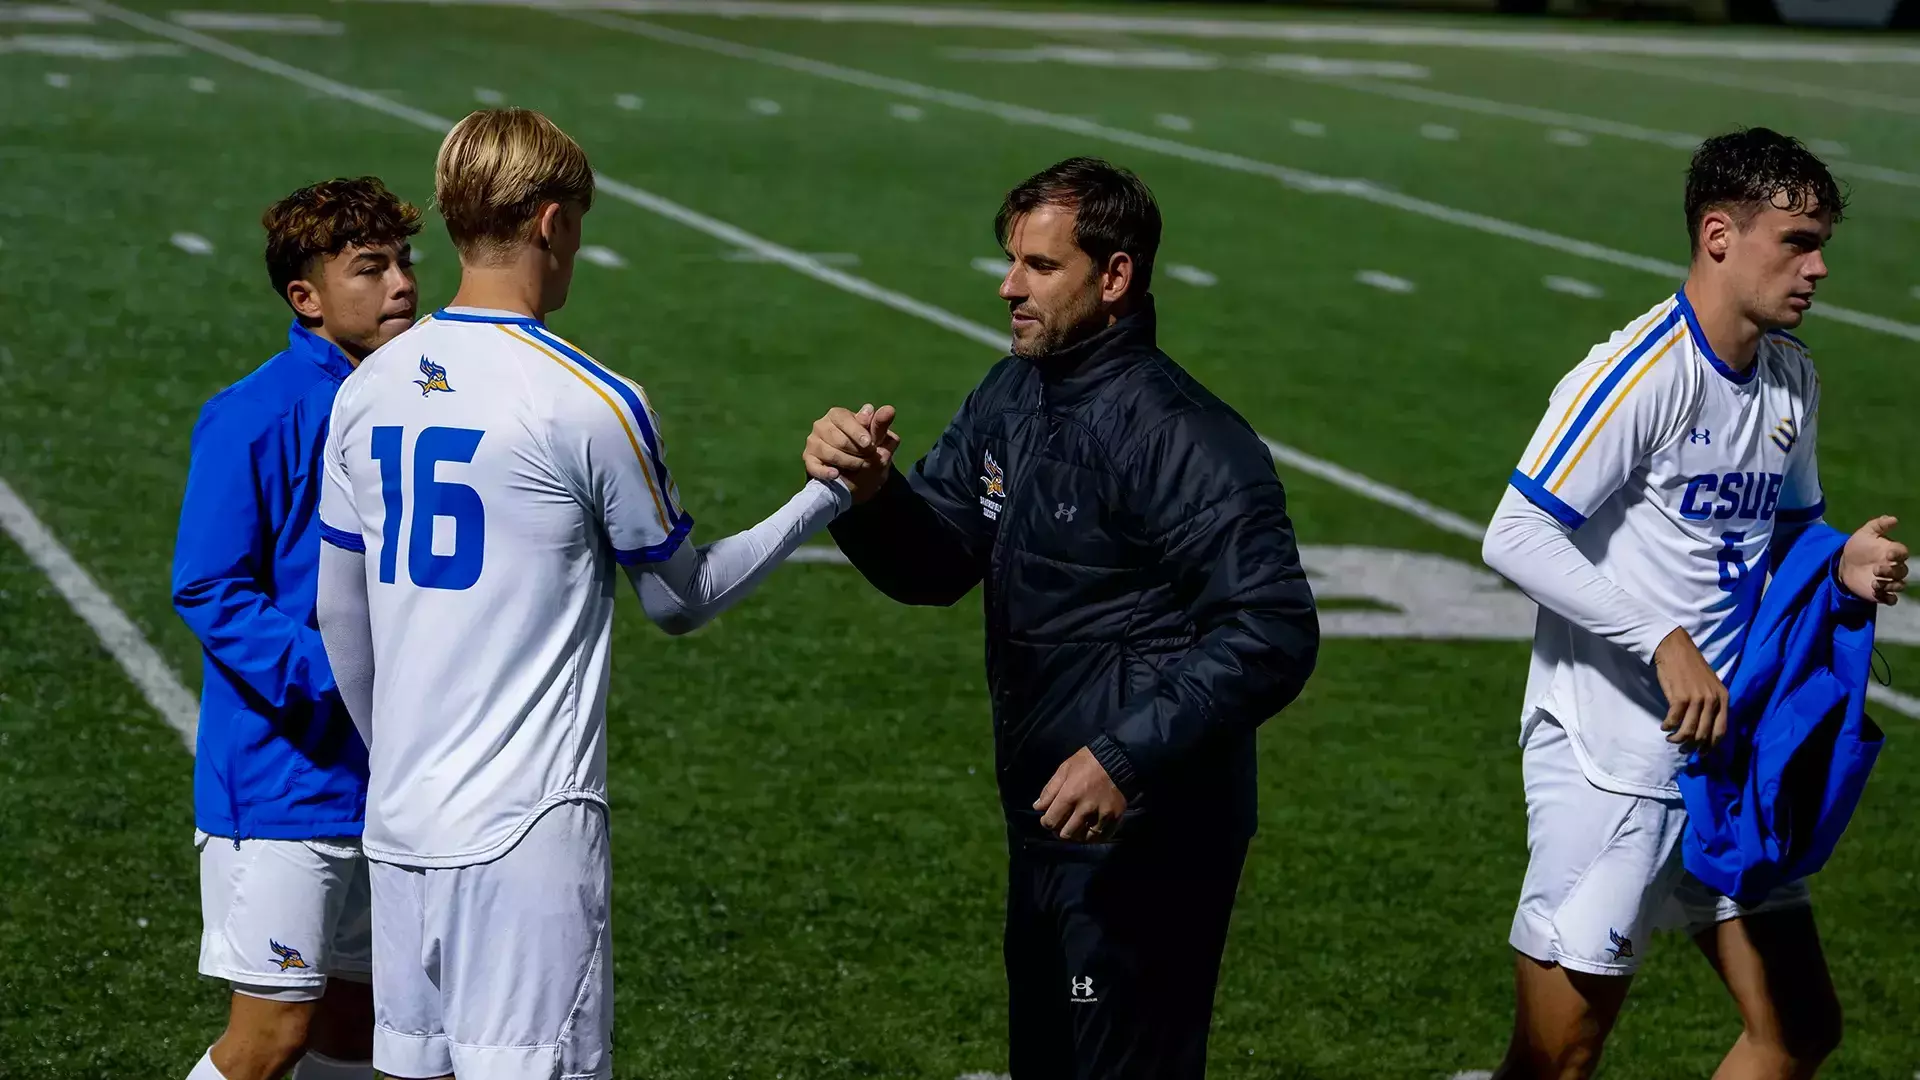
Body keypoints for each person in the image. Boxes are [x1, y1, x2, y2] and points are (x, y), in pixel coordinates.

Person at [312, 108, 851, 1080]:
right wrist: (826, 497)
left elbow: (341, 619)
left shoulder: (369, 386)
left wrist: (396, 760)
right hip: (526, 836)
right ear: (552, 223)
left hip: (399, 828)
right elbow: (681, 598)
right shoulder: (589, 401)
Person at [804, 157, 1319, 1079]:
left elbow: (1272, 628)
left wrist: (1124, 756)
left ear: (1114, 277)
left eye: (1040, 266)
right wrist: (872, 492)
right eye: (1012, 261)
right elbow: (936, 564)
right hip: (1049, 817)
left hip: (1148, 837)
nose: (1009, 287)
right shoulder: (1013, 395)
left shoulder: (1182, 435)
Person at [1481, 127, 1908, 1079]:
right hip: (1616, 761)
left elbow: (1788, 534)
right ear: (1719, 235)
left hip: (1729, 762)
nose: (1819, 269)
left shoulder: (1792, 379)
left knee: (1797, 1027)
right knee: (1557, 1059)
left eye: (1822, 244)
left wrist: (1843, 561)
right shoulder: (1643, 373)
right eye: (1797, 243)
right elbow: (1514, 532)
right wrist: (1661, 639)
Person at [172, 176, 422, 1080]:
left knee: (354, 1030)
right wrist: (342, 675)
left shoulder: (412, 400)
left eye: (405, 262)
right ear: (305, 298)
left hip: (384, 780)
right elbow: (209, 587)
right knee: (270, 1038)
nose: (402, 283)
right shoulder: (257, 413)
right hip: (285, 780)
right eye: (370, 268)